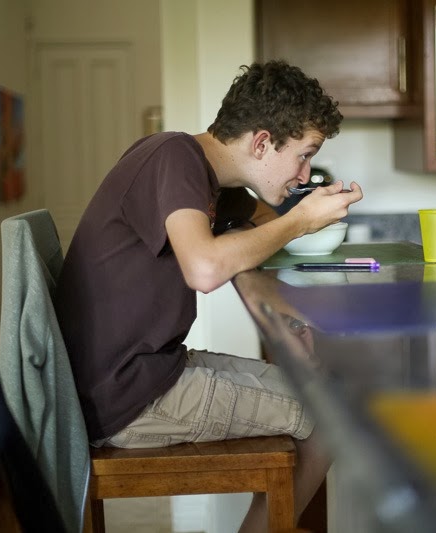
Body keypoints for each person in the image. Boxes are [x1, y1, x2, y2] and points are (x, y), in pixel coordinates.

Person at [55, 60, 363, 532]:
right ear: (261, 142)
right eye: (304, 156)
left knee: (320, 389)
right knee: (332, 414)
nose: (305, 175)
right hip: (127, 395)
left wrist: (293, 314)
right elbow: (204, 268)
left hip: (140, 371)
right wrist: (300, 220)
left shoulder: (203, 175)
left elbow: (259, 226)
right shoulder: (174, 158)